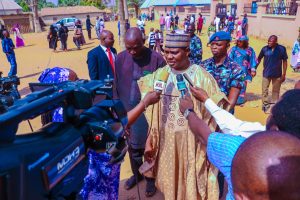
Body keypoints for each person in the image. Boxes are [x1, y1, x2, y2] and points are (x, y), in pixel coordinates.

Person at [138, 32, 228, 200]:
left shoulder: (202, 77)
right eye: (166, 51)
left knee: (191, 187)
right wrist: (150, 138)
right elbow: (152, 111)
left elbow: (215, 116)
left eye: (175, 52)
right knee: (170, 184)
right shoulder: (159, 75)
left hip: (192, 143)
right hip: (166, 142)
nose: (169, 56)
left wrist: (210, 147)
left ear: (187, 51)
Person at [179, 88, 300, 200]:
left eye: (271, 114)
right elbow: (235, 126)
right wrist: (207, 100)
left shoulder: (241, 151)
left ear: (274, 129)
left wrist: (188, 112)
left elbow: (205, 136)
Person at [114, 27, 166, 197]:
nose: (132, 51)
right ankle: (137, 175)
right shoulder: (121, 58)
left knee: (149, 149)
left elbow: (163, 88)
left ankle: (150, 179)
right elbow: (116, 85)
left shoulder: (157, 59)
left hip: (149, 114)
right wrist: (119, 113)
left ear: (143, 41)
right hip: (128, 113)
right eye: (128, 47)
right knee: (132, 148)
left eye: (136, 47)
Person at [201, 31, 246, 111]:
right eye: (212, 44)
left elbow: (230, 103)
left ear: (227, 46)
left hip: (223, 116)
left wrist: (217, 116)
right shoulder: (203, 65)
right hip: (203, 114)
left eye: (218, 45)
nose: (214, 47)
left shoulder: (236, 70)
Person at [257, 35, 288, 113]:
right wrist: (254, 68)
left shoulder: (282, 49)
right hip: (266, 74)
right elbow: (259, 59)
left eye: (271, 41)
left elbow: (285, 61)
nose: (269, 42)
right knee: (264, 90)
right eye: (268, 41)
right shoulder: (264, 49)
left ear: (276, 42)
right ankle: (265, 105)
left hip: (277, 74)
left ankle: (274, 106)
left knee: (276, 91)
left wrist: (284, 74)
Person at [228, 36, 258, 105]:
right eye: (238, 41)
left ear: (245, 42)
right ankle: (231, 99)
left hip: (244, 71)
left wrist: (253, 70)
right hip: (234, 70)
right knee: (232, 84)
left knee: (242, 85)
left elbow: (252, 60)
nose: (238, 43)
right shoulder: (234, 49)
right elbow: (229, 58)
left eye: (240, 41)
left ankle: (239, 101)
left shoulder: (250, 50)